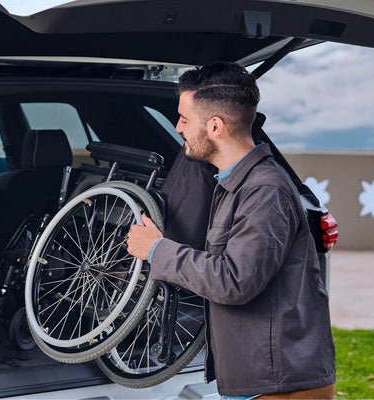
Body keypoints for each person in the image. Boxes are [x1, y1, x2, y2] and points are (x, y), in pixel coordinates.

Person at [126, 62, 336, 398]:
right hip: (260, 377)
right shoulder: (234, 184)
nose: (178, 127)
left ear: (214, 126)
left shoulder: (265, 190)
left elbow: (235, 281)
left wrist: (156, 249)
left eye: (184, 118)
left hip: (277, 383)